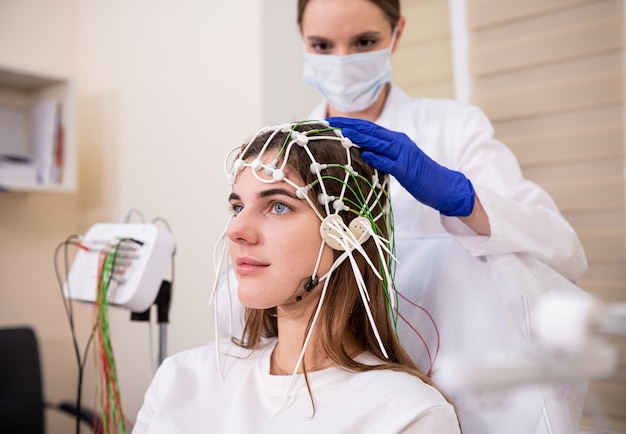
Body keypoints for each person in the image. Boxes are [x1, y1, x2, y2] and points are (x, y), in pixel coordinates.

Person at [222, 1, 591, 433]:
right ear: (302, 40)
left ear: (396, 35)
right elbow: (248, 299)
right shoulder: (280, 156)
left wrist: (460, 198)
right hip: (326, 390)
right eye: (321, 45)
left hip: (463, 386)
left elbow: (565, 253)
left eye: (364, 42)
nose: (341, 61)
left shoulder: (453, 129)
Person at [133, 121, 461, 433]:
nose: (235, 231)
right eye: (237, 207)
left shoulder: (406, 415)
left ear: (347, 233)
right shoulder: (180, 380)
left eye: (278, 206)